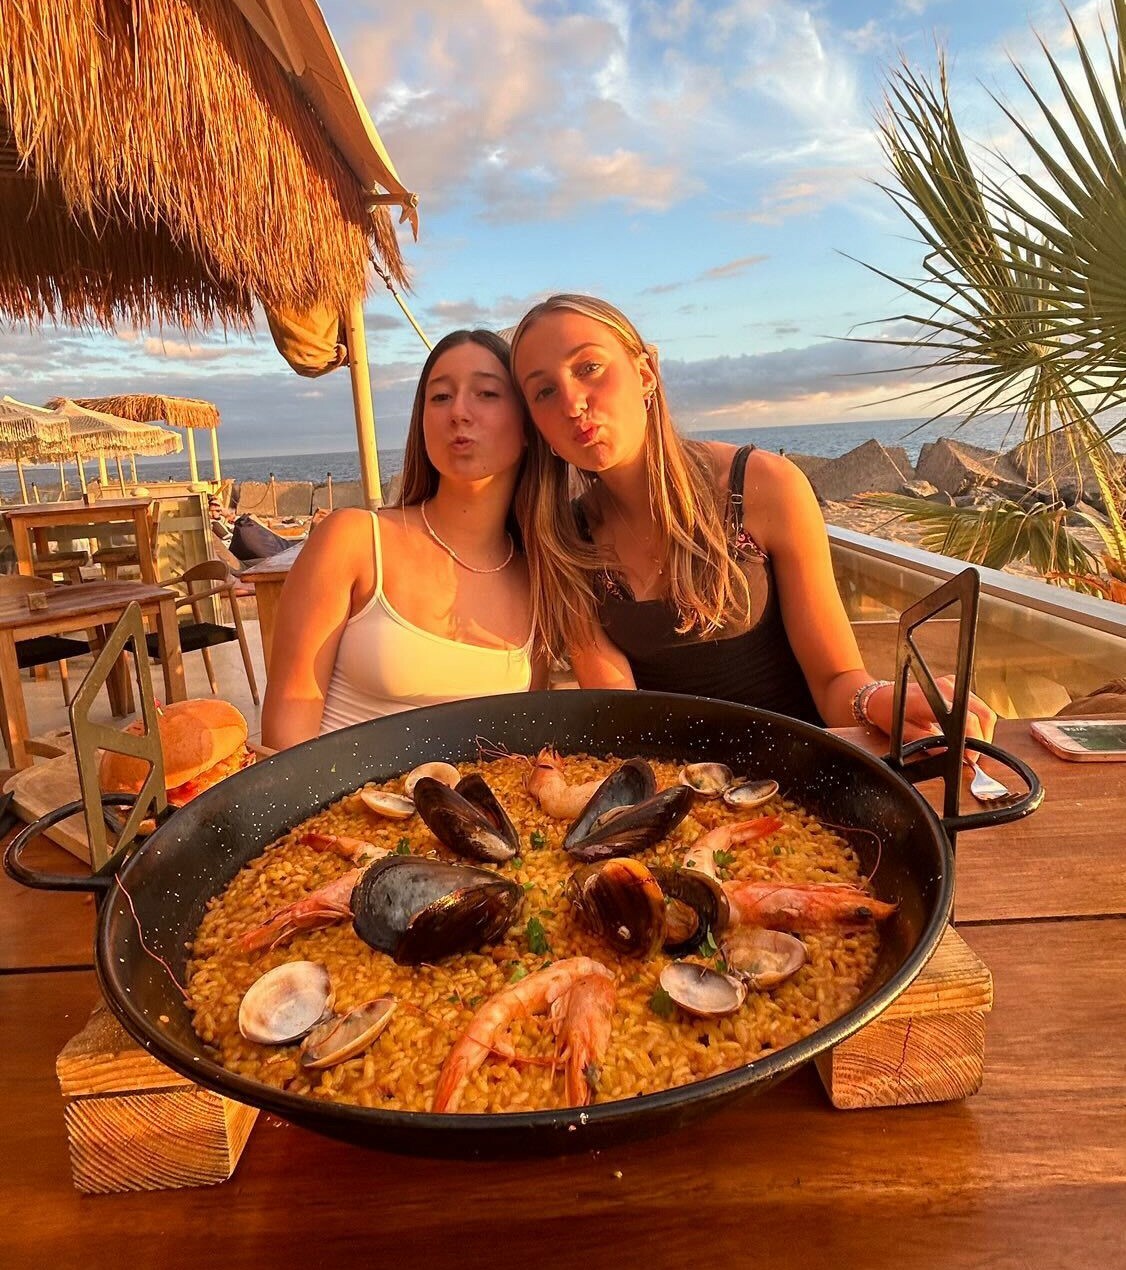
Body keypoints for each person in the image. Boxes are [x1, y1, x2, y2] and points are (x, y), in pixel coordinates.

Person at [510, 294, 995, 743]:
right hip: (669, 779)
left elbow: (834, 681)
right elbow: (623, 715)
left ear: (645, 373)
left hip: (801, 772)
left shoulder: (763, 486)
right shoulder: (566, 538)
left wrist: (878, 700)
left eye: (589, 367)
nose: (572, 403)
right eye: (545, 392)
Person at [261, 330, 543, 750]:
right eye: (440, 397)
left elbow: (522, 743)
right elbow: (286, 731)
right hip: (334, 791)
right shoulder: (354, 540)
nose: (458, 411)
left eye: (486, 393)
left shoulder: (538, 577)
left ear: (527, 427)